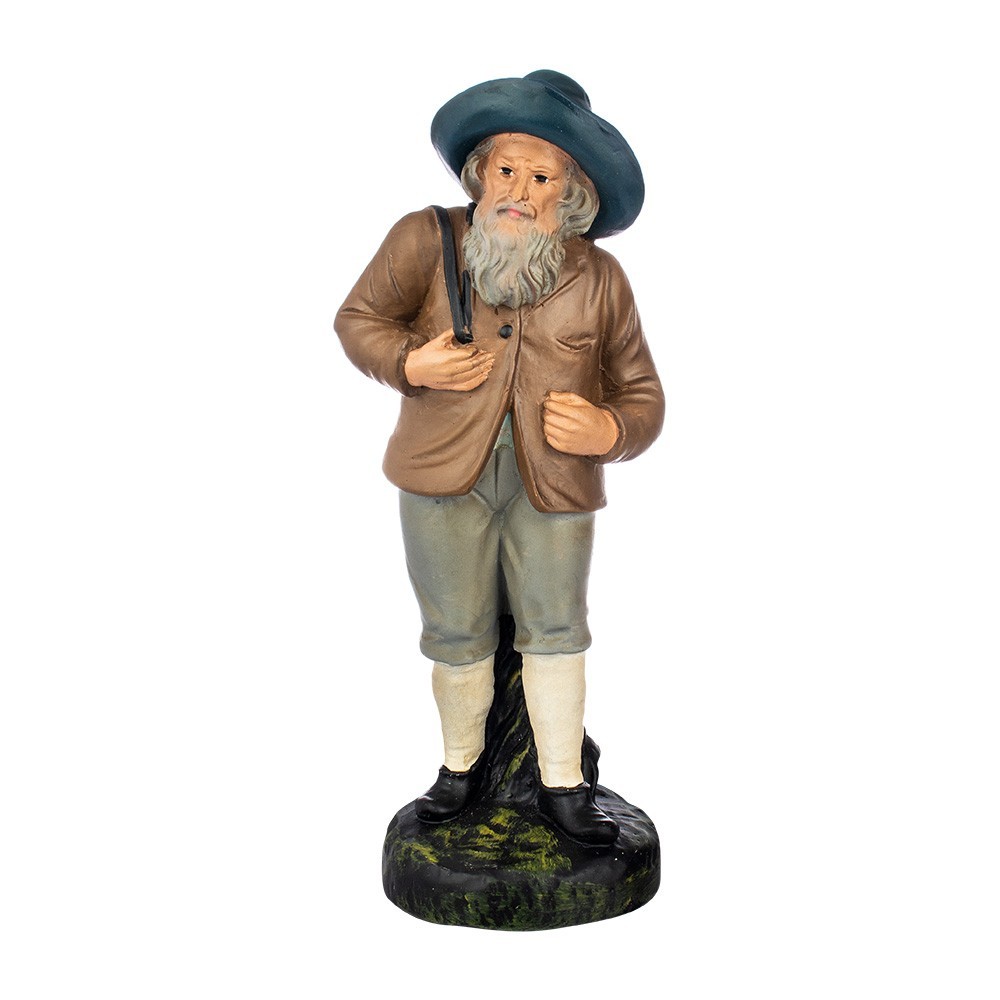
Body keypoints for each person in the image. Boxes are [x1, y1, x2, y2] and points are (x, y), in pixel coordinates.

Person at [335, 70, 664, 845]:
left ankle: (562, 782)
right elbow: (359, 319)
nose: (518, 190)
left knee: (557, 628)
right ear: (481, 174)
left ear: (571, 196)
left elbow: (643, 393)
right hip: (442, 475)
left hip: (553, 485)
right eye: (506, 169)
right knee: (454, 629)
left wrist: (609, 431)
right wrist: (411, 364)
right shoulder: (426, 239)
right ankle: (460, 768)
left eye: (541, 177)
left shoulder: (599, 278)